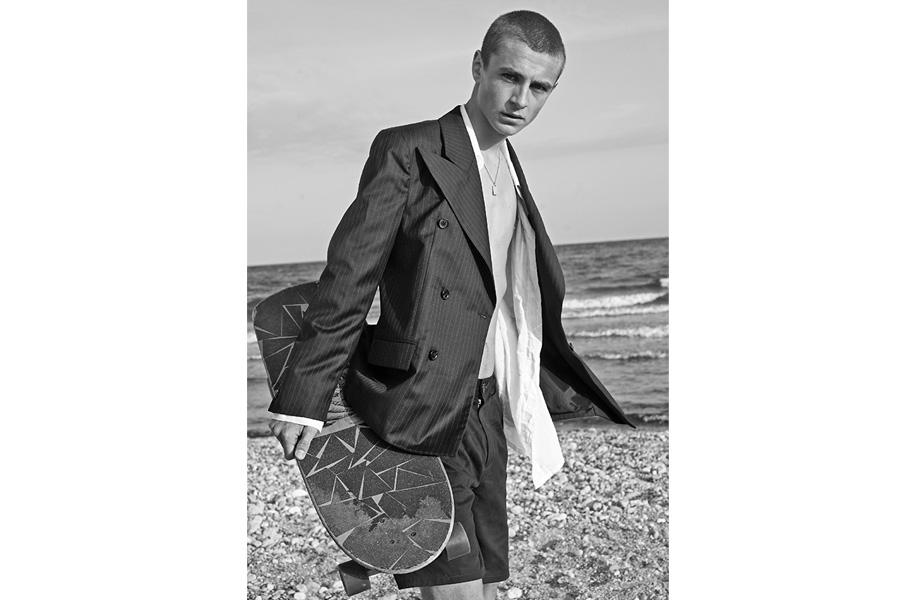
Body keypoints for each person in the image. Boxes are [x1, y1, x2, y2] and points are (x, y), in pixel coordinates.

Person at [267, 10, 633, 600]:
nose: (521, 100)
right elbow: (350, 277)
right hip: (420, 411)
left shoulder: (511, 168)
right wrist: (304, 398)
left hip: (486, 410)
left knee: (487, 587)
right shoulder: (408, 150)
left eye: (540, 87)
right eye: (509, 76)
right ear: (477, 66)